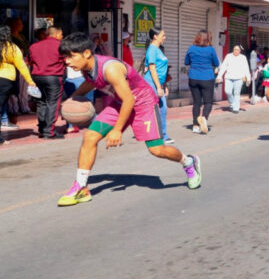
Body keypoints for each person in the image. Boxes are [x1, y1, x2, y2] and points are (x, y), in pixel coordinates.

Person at [56, 32, 201, 206]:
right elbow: (91, 83)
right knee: (90, 137)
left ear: (86, 53)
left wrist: (117, 130)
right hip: (120, 103)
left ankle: (188, 162)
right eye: (65, 57)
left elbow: (130, 100)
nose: (67, 61)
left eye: (71, 56)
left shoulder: (110, 68)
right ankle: (81, 187)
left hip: (143, 104)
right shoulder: (87, 68)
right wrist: (72, 98)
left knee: (157, 150)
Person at [0, 25, 39, 143]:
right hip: (6, 81)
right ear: (8, 35)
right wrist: (30, 81)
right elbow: (21, 66)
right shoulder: (12, 48)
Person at [29, 26, 66, 139]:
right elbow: (66, 60)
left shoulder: (34, 46)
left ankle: (42, 128)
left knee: (41, 102)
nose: (62, 37)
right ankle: (49, 131)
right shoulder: (60, 46)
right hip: (53, 76)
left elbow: (30, 61)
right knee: (52, 102)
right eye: (61, 34)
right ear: (56, 34)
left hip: (37, 76)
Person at [184, 30, 220, 134]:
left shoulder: (191, 48)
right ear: (207, 39)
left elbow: (186, 62)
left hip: (193, 78)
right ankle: (204, 118)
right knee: (208, 102)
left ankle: (195, 125)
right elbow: (216, 63)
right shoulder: (211, 50)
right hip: (207, 78)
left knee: (196, 103)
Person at [144, 27, 174, 145]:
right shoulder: (152, 49)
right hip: (151, 83)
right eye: (163, 35)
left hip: (158, 83)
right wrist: (158, 87)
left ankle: (160, 134)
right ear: (155, 36)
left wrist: (163, 85)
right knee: (159, 109)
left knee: (161, 108)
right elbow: (152, 68)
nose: (165, 37)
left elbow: (162, 69)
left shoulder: (158, 49)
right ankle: (161, 135)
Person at [217, 45, 252, 113]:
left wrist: (248, 78)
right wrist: (219, 76)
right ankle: (232, 104)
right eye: (234, 49)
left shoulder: (243, 57)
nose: (235, 51)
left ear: (240, 51)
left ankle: (236, 108)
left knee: (237, 93)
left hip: (239, 78)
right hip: (228, 77)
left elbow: (246, 68)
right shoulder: (228, 56)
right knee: (227, 91)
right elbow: (223, 66)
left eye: (237, 50)